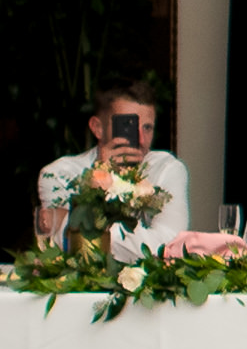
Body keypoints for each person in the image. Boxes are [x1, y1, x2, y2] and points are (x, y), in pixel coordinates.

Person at [32, 80, 190, 260]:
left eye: (147, 128)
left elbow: (170, 247)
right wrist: (103, 175)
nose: (140, 139)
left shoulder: (166, 169)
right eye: (127, 126)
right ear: (98, 128)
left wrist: (72, 223)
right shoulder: (59, 174)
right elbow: (63, 253)